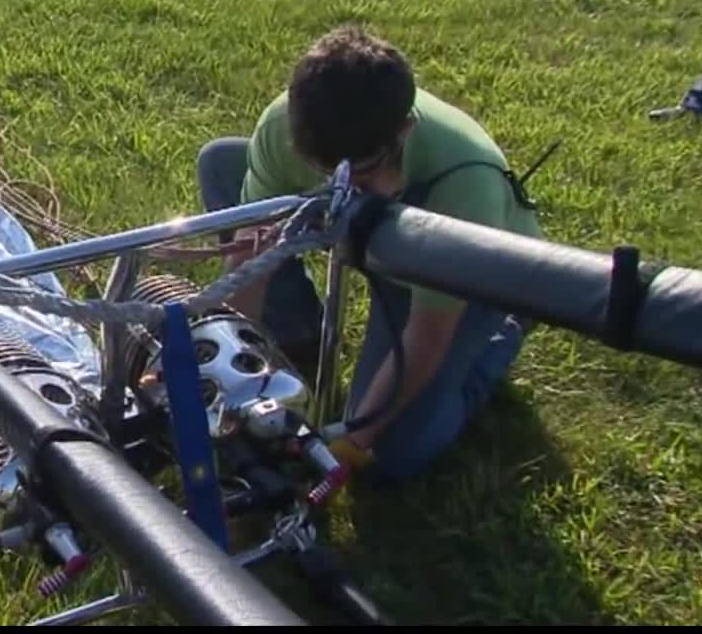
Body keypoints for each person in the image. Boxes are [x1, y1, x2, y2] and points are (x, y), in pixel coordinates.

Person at [196, 25, 542, 485]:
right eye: (323, 171)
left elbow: (427, 332)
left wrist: (357, 440)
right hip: (375, 237)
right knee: (223, 164)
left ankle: (501, 332)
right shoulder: (283, 125)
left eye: (360, 172)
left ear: (404, 132)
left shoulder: (464, 185)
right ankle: (296, 334)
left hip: (476, 272)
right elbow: (250, 261)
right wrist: (228, 368)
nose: (340, 187)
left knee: (392, 451)